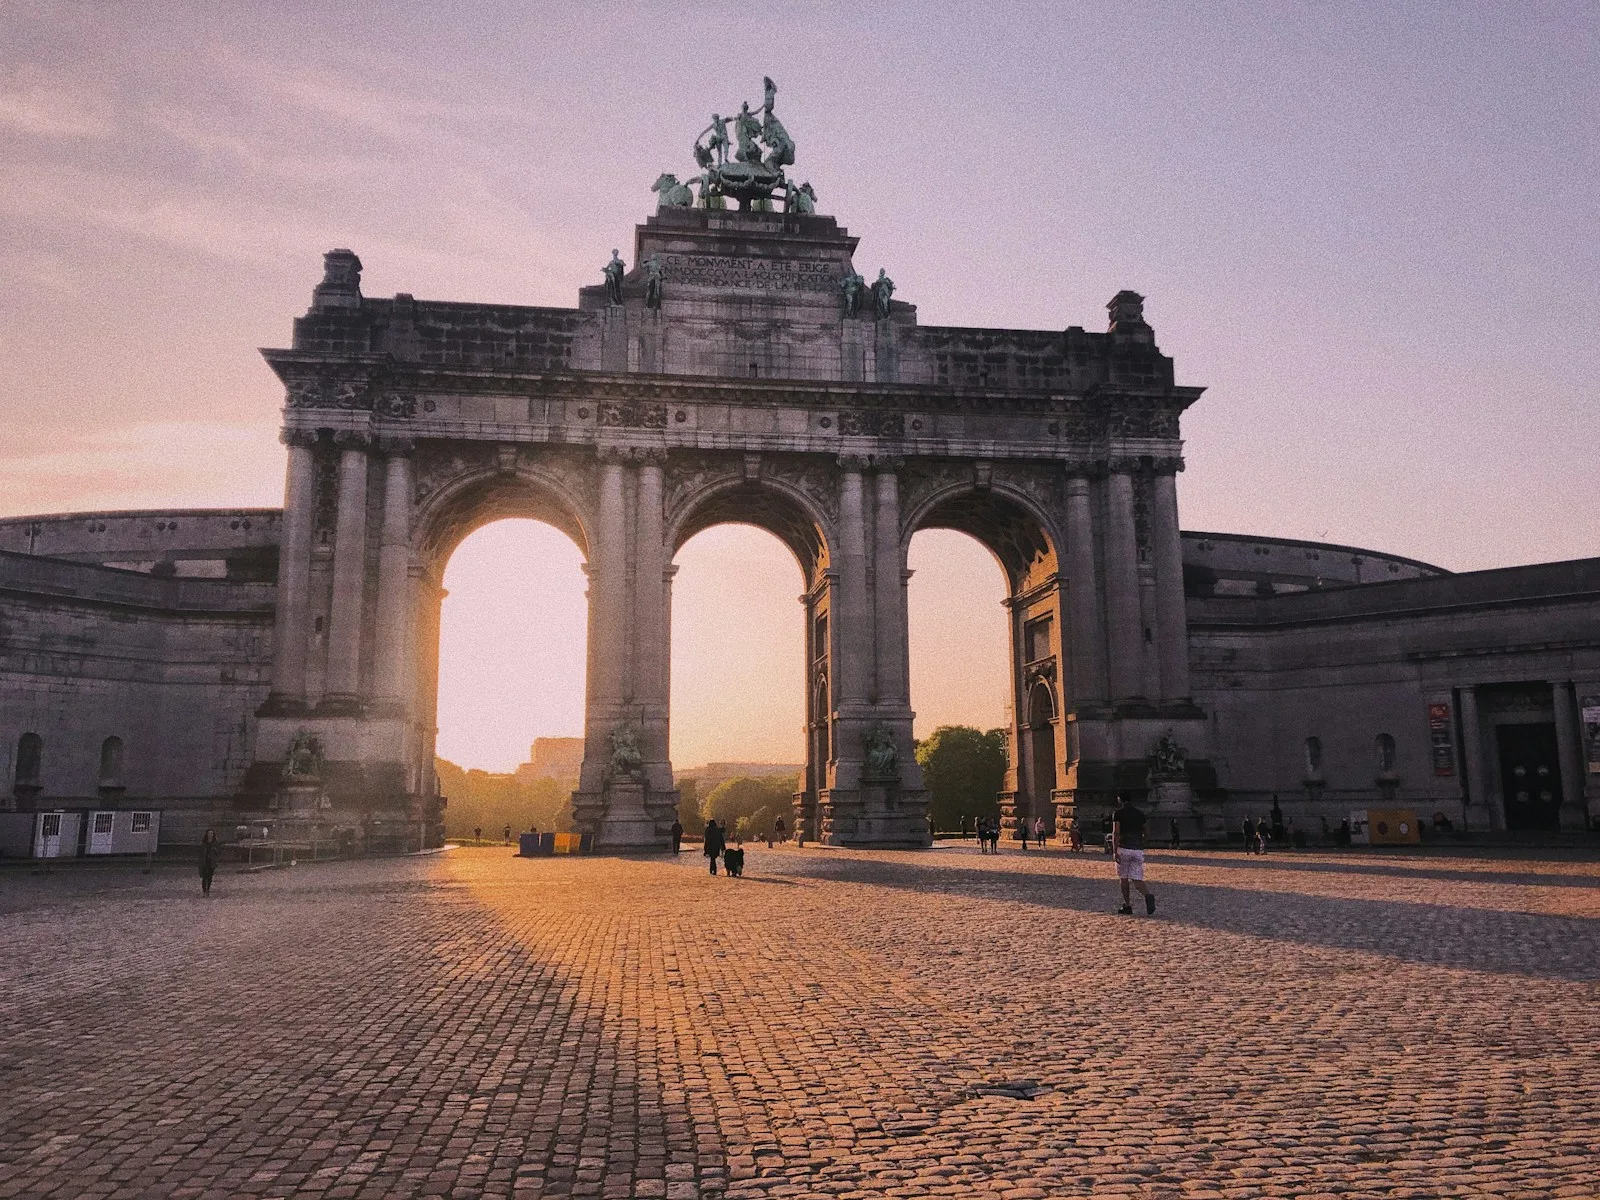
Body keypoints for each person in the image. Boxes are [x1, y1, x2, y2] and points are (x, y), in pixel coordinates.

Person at [1111, 794, 1156, 915]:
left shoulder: (1118, 813)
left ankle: (1127, 905)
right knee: (1137, 879)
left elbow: (1116, 833)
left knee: (1124, 879)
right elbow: (1146, 832)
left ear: (1119, 799)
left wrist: (1114, 851)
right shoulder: (1140, 814)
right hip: (1137, 849)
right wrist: (1143, 843)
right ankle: (1148, 895)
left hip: (1124, 848)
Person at [198, 828, 219, 897]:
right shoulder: (203, 843)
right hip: (204, 861)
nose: (210, 835)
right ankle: (204, 890)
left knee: (209, 877)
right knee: (204, 877)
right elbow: (200, 853)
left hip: (211, 862)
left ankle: (208, 889)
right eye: (209, 833)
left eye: (211, 833)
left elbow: (218, 852)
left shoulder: (215, 843)